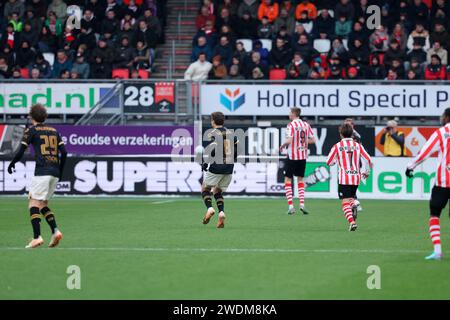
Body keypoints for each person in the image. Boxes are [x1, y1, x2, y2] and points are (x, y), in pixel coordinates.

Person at [7, 104, 67, 249]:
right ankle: (55, 231)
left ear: (31, 116)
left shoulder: (32, 130)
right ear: (45, 116)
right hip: (54, 172)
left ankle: (37, 237)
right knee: (42, 204)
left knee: (33, 203)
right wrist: (60, 171)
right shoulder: (54, 131)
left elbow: (21, 150)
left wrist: (12, 163)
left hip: (42, 171)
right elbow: (64, 152)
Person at [405, 108, 450, 260]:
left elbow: (425, 152)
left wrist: (411, 166)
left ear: (447, 117)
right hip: (443, 181)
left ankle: (437, 251)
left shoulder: (442, 133)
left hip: (443, 182)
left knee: (434, 214)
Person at [326, 124, 372, 231]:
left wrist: (336, 161)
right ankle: (354, 203)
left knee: (344, 202)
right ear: (352, 134)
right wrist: (367, 171)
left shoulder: (337, 146)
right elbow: (368, 158)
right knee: (351, 197)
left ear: (341, 134)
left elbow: (329, 162)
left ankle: (352, 222)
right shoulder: (358, 145)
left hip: (344, 177)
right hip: (356, 177)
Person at [201, 112, 239, 228]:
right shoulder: (231, 133)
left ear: (213, 121)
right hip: (229, 167)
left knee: (205, 189)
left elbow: (213, 149)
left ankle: (210, 209)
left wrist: (206, 162)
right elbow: (237, 148)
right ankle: (221, 213)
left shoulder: (213, 133)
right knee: (217, 191)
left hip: (217, 165)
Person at [279, 107, 316, 215]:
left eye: (290, 112)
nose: (289, 114)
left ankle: (291, 206)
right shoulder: (306, 125)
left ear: (294, 114)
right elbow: (313, 140)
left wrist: (282, 145)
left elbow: (289, 140)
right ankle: (302, 204)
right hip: (302, 156)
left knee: (287, 180)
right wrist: (303, 144)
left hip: (292, 156)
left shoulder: (291, 125)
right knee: (300, 180)